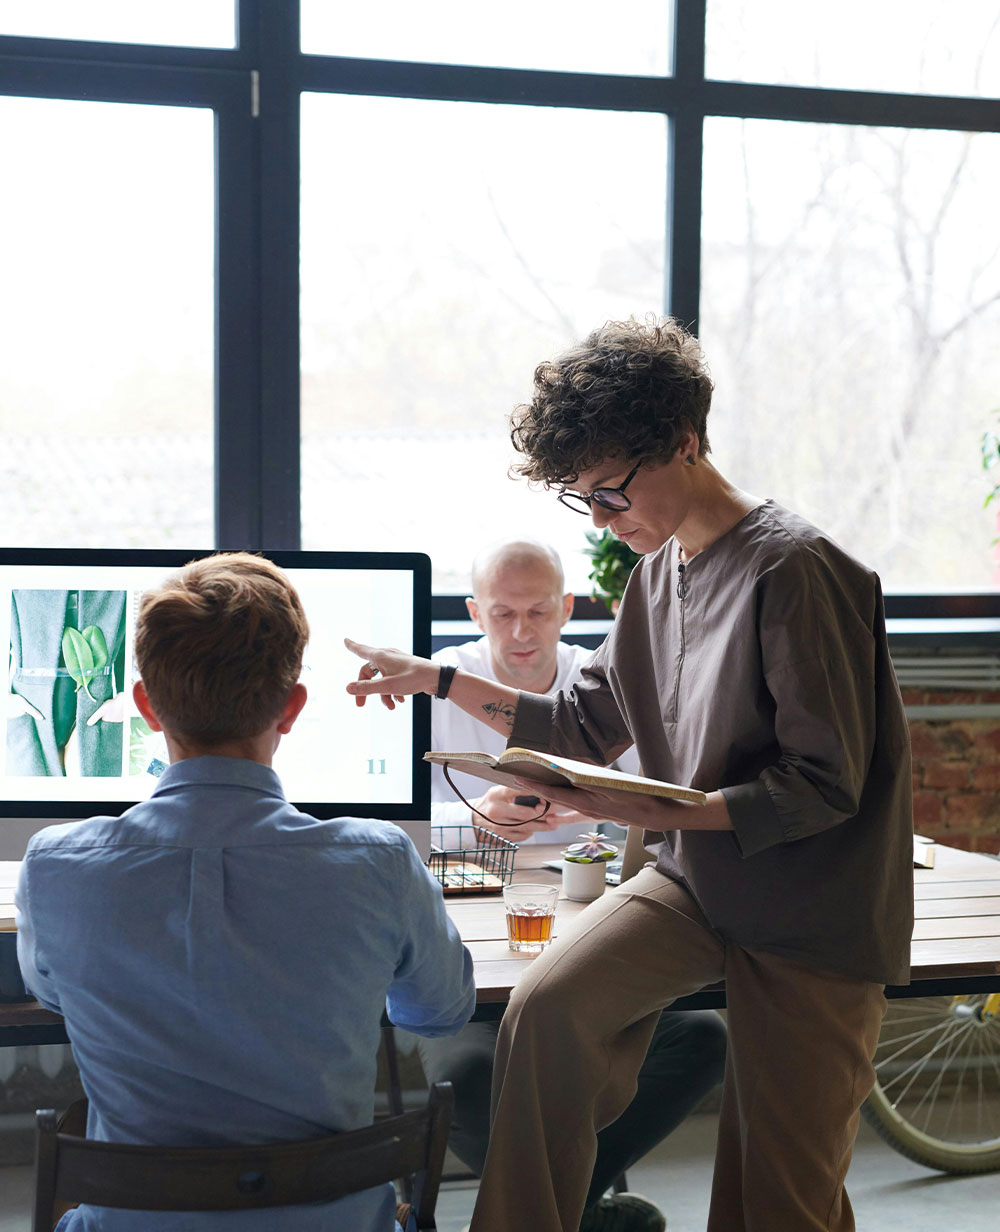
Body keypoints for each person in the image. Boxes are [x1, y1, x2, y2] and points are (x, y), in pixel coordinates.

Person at [345, 317, 914, 1232]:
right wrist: (440, 680)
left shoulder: (800, 571)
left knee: (779, 1197)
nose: (605, 520)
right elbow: (582, 720)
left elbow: (825, 784)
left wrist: (644, 808)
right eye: (586, 503)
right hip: (697, 883)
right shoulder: (657, 575)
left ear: (685, 444)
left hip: (815, 910)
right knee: (547, 1015)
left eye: (610, 494)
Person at [16, 552, 476, 1232]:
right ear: (291, 708)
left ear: (145, 704)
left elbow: (52, 993)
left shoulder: (55, 866)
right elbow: (439, 1012)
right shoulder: (378, 860)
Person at [423, 539, 727, 1232]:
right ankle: (574, 1208)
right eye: (503, 614)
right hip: (474, 947)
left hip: (591, 929)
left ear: (567, 608)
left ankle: (553, 1204)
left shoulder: (604, 684)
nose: (522, 633)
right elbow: (401, 831)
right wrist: (478, 818)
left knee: (703, 1038)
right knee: (470, 1075)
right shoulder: (445, 682)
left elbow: (661, 813)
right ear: (475, 611)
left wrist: (600, 808)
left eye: (538, 612)